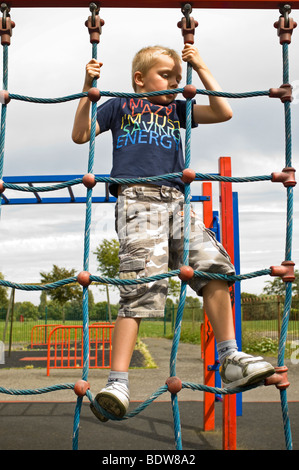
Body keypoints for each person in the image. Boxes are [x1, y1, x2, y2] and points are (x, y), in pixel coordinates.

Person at [72, 44, 275, 421]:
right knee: (141, 284)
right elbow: (81, 135)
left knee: (215, 268)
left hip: (178, 201)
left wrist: (200, 65)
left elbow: (223, 111)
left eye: (178, 77)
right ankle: (118, 381)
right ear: (139, 79)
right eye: (166, 74)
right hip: (139, 199)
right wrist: (88, 89)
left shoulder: (176, 109)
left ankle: (230, 356)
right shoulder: (119, 107)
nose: (174, 81)